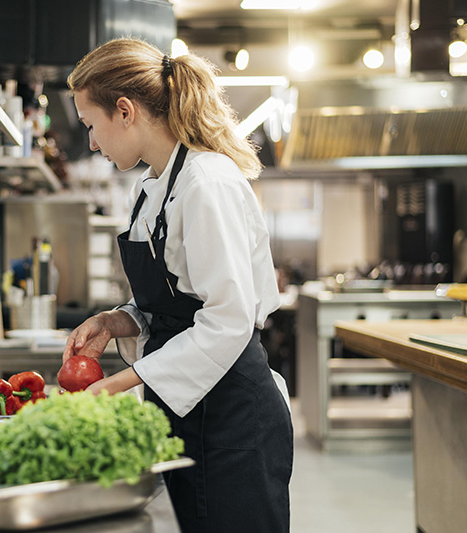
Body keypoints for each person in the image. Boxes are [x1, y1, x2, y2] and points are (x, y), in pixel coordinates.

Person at [62, 38, 293, 532]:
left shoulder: (207, 183)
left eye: (90, 126)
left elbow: (227, 319)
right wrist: (116, 319)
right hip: (188, 408)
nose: (93, 143)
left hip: (232, 416)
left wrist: (120, 382)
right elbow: (180, 301)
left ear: (124, 111)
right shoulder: (154, 187)